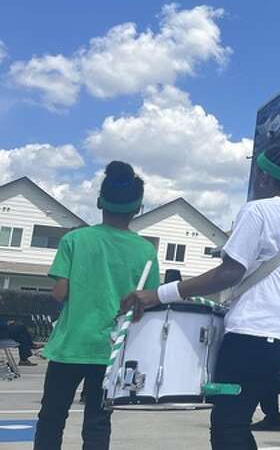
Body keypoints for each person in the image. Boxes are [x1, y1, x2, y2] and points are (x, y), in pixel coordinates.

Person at [120, 130, 280, 450]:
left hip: (252, 332)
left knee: (228, 426)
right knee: (235, 422)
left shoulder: (257, 211)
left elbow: (230, 272)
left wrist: (159, 294)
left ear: (262, 176)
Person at [34, 161, 161, 450]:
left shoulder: (75, 240)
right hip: (111, 350)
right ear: (138, 208)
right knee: (98, 422)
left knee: (52, 417)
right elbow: (148, 302)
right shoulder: (145, 250)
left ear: (99, 201)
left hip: (70, 345)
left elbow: (59, 293)